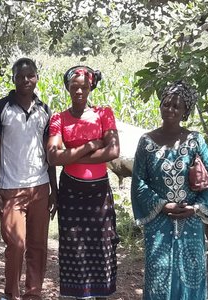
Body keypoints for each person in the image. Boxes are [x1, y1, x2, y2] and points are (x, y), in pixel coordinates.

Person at [130, 81, 208, 300]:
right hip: (158, 223)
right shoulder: (146, 142)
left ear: (185, 112)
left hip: (191, 221)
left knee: (192, 274)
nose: (170, 109)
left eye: (176, 106)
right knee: (157, 275)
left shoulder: (196, 140)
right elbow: (139, 181)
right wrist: (162, 204)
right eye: (166, 104)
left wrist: (196, 207)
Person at [0, 58, 58, 300]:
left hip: (40, 186)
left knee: (38, 246)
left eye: (30, 75)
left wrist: (54, 190)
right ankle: (12, 294)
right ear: (14, 78)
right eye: (20, 76)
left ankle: (33, 293)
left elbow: (50, 154)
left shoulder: (44, 111)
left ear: (37, 77)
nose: (26, 80)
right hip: (11, 188)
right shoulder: (0, 109)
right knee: (16, 245)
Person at [46, 66, 120, 299]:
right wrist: (90, 146)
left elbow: (114, 150)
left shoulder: (103, 114)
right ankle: (78, 294)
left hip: (99, 192)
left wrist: (72, 154)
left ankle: (99, 292)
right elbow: (53, 157)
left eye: (84, 87)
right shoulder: (59, 118)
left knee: (101, 243)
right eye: (74, 86)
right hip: (71, 191)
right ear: (67, 87)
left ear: (91, 87)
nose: (79, 91)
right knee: (73, 245)